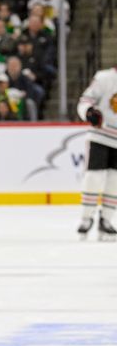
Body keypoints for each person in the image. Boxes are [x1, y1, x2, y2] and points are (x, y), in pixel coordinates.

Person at [76, 67, 117, 241]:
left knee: (114, 181)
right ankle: (86, 218)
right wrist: (89, 112)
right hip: (101, 136)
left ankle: (106, 219)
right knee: (93, 177)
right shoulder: (105, 77)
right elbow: (85, 100)